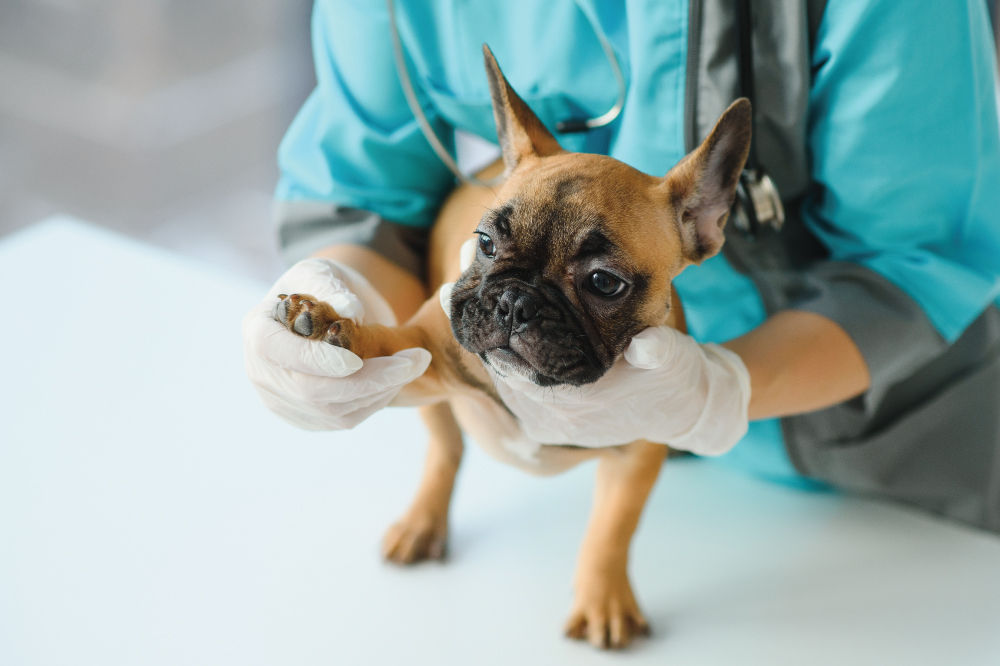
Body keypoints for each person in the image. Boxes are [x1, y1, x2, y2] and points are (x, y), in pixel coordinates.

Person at [244, 0, 1000, 532]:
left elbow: (911, 258)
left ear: (706, 220)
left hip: (882, 446)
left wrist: (716, 391)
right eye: (493, 253)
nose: (513, 307)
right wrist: (331, 306)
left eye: (599, 280)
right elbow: (368, 190)